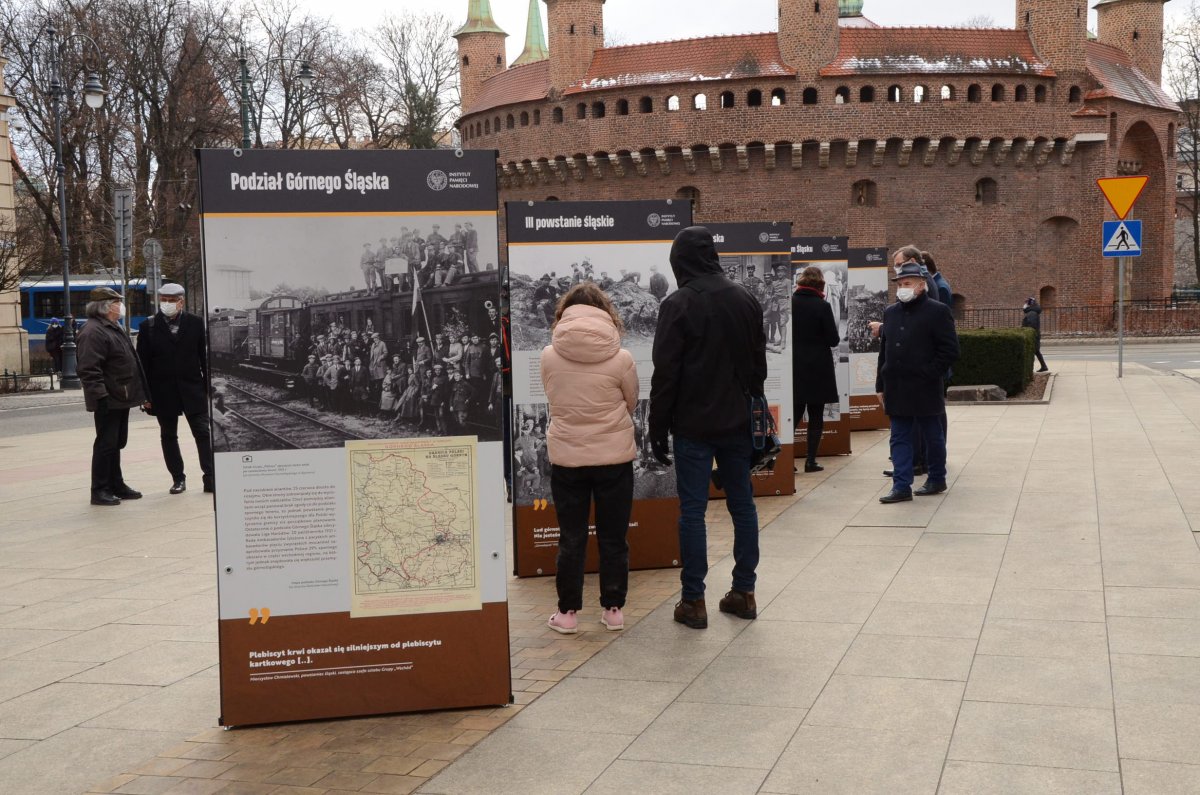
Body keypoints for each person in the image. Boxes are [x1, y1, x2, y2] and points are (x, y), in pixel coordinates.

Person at [650, 226, 767, 629]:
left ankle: (693, 600)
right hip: (737, 421)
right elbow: (758, 369)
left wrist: (657, 425)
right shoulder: (746, 299)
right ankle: (744, 591)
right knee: (743, 505)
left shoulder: (677, 304)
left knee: (693, 511)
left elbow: (666, 373)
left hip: (693, 423)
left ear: (679, 261)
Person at [540, 283, 639, 634]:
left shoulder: (548, 355)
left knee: (571, 537)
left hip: (567, 459)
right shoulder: (622, 358)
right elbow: (631, 401)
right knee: (613, 537)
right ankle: (613, 610)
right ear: (604, 313)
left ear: (565, 313)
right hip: (614, 458)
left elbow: (552, 396)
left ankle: (567, 614)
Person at [876, 262, 960, 503]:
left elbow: (950, 350)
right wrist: (880, 384)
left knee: (932, 435)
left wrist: (928, 373)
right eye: (900, 284)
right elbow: (884, 351)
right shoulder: (891, 313)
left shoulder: (937, 311)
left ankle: (936, 478)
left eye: (907, 283)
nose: (902, 288)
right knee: (899, 437)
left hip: (925, 387)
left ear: (921, 285)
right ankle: (901, 485)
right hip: (896, 386)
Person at [136, 283, 213, 495]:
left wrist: (208, 388)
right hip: (162, 391)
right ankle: (178, 478)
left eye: (171, 300)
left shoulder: (196, 323)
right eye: (164, 300)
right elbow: (142, 364)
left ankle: (210, 477)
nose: (167, 303)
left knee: (202, 432)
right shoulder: (148, 326)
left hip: (193, 389)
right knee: (169, 435)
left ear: (181, 302)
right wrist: (145, 396)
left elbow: (205, 358)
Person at [77, 287, 147, 506]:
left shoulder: (111, 327)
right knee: (106, 444)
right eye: (117, 302)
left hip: (119, 396)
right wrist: (100, 396)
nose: (121, 306)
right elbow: (89, 369)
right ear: (106, 306)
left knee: (116, 443)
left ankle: (116, 484)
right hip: (107, 398)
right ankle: (99, 489)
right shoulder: (93, 331)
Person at [792, 266, 841, 473]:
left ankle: (786, 461)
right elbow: (833, 339)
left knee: (793, 414)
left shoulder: (791, 302)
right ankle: (810, 461)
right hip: (818, 367)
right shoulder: (822, 305)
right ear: (820, 284)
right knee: (816, 414)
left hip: (795, 365)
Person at [1023, 297, 1050, 372]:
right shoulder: (1033, 312)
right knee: (1036, 351)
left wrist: (1028, 333)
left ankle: (1029, 369)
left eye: (1026, 303)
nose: (1024, 305)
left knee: (1032, 351)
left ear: (1029, 304)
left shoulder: (1031, 313)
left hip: (1033, 335)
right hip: (1035, 335)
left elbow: (1031, 325)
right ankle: (1043, 366)